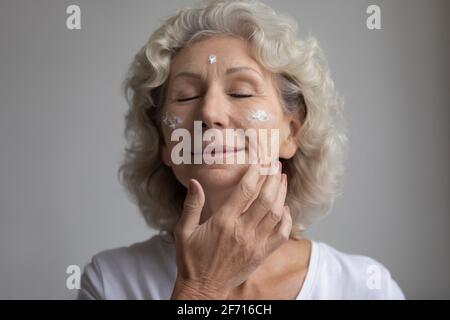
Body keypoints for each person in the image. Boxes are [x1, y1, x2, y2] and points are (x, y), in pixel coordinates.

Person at [78, 0, 404, 300]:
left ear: (291, 132)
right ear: (164, 142)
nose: (209, 113)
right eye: (186, 96)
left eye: (240, 92)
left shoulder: (365, 287)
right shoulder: (110, 283)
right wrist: (201, 288)